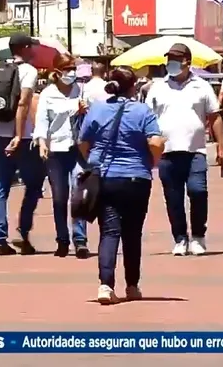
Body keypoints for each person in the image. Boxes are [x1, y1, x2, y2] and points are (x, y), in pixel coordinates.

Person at [79, 67, 165, 303]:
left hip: (106, 178)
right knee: (132, 232)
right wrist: (152, 162)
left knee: (109, 231)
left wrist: (92, 162)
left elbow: (83, 142)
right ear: (132, 87)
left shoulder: (97, 109)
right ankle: (132, 286)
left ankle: (105, 286)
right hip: (137, 179)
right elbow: (155, 142)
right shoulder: (142, 111)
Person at [146, 43, 223, 256]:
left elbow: (214, 117)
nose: (170, 63)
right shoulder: (157, 87)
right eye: (169, 59)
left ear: (187, 62)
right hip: (166, 153)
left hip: (196, 151)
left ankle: (198, 236)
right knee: (173, 198)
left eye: (175, 59)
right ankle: (180, 238)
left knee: (198, 192)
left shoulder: (201, 86)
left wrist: (221, 146)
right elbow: (146, 118)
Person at [0, 34, 46, 256]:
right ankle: (23, 232)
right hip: (22, 138)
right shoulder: (28, 71)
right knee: (33, 185)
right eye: (31, 46)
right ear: (24, 47)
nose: (34, 50)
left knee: (0, 187)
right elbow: (23, 103)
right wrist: (19, 135)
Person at [34, 61, 89, 258]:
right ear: (57, 72)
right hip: (55, 150)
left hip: (77, 148)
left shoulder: (80, 90)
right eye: (67, 70)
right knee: (59, 197)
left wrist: (84, 110)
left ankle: (80, 240)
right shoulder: (48, 94)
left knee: (79, 195)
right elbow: (42, 120)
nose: (71, 73)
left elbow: (90, 119)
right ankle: (62, 239)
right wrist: (41, 142)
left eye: (73, 69)